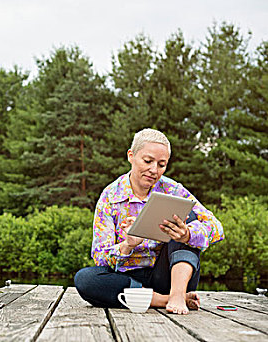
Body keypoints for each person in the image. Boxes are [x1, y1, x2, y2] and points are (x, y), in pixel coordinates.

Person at [74, 128, 224, 314]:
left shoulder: (173, 190)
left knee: (189, 220)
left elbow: (217, 228)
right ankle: (164, 300)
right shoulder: (109, 197)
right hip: (127, 281)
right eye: (148, 161)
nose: (154, 170)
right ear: (131, 156)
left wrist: (187, 234)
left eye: (161, 165)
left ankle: (177, 294)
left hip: (169, 275)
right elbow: (99, 256)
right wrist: (127, 245)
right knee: (85, 279)